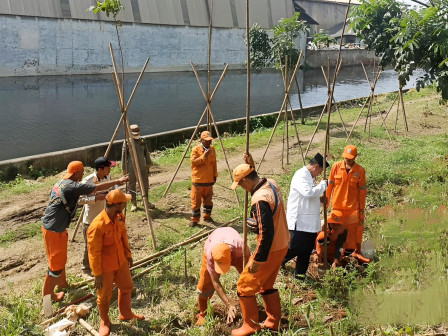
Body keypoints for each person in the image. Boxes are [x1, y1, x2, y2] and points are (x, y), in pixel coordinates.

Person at [41, 161, 128, 310]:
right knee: (55, 267)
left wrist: (98, 197)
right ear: (76, 173)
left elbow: (82, 198)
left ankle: (62, 285)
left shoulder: (63, 182)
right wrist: (119, 181)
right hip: (54, 230)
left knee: (60, 261)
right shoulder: (74, 185)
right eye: (81, 172)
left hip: (53, 228)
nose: (83, 174)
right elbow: (95, 187)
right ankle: (47, 302)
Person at [230, 154, 290, 336]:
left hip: (269, 250)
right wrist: (252, 165)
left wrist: (257, 261)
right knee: (266, 284)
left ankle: (250, 325)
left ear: (246, 181)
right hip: (282, 244)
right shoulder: (270, 183)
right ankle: (272, 321)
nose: (242, 188)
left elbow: (266, 234)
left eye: (241, 184)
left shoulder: (260, 199)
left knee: (244, 285)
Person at [87, 189, 144, 336]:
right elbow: (93, 253)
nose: (126, 203)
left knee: (127, 287)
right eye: (124, 202)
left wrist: (128, 255)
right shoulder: (97, 226)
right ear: (118, 205)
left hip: (121, 262)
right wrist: (97, 274)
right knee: (104, 296)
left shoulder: (120, 217)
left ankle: (125, 313)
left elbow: (123, 237)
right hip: (105, 268)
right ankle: (105, 321)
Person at [282, 153, 329, 278]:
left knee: (306, 250)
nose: (318, 175)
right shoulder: (301, 175)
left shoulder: (309, 178)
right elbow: (307, 193)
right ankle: (278, 261)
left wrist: (320, 201)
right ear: (316, 166)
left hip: (310, 222)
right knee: (295, 247)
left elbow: (309, 199)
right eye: (320, 171)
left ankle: (300, 275)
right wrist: (323, 185)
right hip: (300, 221)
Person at [195, 227, 251, 326]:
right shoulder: (210, 254)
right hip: (214, 239)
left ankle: (249, 306)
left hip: (235, 246)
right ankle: (202, 314)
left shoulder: (241, 248)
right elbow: (215, 281)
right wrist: (229, 304)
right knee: (205, 284)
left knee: (248, 279)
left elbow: (249, 271)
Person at [326, 145, 370, 264]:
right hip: (337, 208)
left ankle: (355, 253)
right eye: (346, 157)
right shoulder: (336, 167)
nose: (347, 160)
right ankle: (328, 256)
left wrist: (361, 211)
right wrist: (326, 203)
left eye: (350, 158)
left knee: (355, 232)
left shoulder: (360, 171)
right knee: (332, 233)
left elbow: (362, 192)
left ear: (355, 157)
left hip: (352, 209)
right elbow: (330, 187)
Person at [78, 157, 117, 274]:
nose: (110, 169)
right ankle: (86, 268)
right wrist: (95, 198)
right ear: (101, 169)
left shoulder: (108, 177)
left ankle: (100, 265)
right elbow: (80, 200)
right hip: (91, 219)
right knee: (90, 245)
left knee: (104, 243)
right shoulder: (87, 181)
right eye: (108, 167)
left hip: (104, 217)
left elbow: (113, 187)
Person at [121, 124, 155, 212]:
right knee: (131, 185)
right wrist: (124, 168)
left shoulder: (142, 140)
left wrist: (148, 162)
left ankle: (146, 201)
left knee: (144, 184)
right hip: (131, 167)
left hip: (142, 166)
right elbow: (124, 156)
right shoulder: (127, 142)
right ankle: (134, 203)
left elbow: (146, 152)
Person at [190, 130, 218, 227]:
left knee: (208, 201)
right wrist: (204, 156)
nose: (209, 142)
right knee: (195, 202)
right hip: (198, 181)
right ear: (202, 140)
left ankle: (207, 216)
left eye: (210, 140)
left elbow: (214, 163)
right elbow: (193, 163)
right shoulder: (195, 149)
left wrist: (215, 175)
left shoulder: (212, 149)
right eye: (206, 140)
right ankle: (195, 220)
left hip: (209, 181)